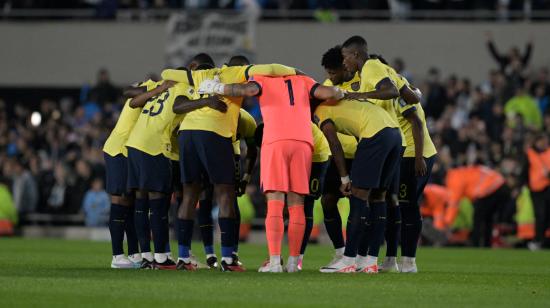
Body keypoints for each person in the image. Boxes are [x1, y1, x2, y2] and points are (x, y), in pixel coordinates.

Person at [197, 73, 345, 273]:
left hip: (276, 140)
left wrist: (217, 87)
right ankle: (294, 263)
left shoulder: (263, 78)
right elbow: (329, 92)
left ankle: (275, 262)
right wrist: (340, 91)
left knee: (275, 202)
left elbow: (247, 90)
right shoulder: (303, 80)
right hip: (303, 141)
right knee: (297, 203)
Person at [161, 62, 300, 272]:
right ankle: (228, 259)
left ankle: (183, 257)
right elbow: (270, 69)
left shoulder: (199, 75)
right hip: (214, 133)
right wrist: (295, 71)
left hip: (187, 133)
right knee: (225, 193)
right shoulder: (235, 72)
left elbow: (167, 73)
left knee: (190, 195)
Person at [125, 70, 226, 270]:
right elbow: (179, 106)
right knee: (159, 204)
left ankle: (146, 255)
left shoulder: (163, 86)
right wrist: (206, 102)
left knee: (141, 202)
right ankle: (162, 258)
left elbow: (132, 102)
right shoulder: (185, 88)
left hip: (135, 144)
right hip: (154, 145)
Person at [314, 97, 401, 274]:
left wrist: (344, 178)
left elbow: (334, 144)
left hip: (374, 134)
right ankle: (370, 261)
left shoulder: (320, 111)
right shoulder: (344, 104)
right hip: (395, 134)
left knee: (358, 195)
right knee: (378, 197)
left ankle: (348, 260)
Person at [103, 78, 160, 269]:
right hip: (119, 149)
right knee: (120, 201)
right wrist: (158, 88)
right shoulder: (147, 94)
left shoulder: (154, 98)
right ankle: (117, 255)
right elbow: (129, 94)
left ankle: (134, 253)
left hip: (129, 150)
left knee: (131, 201)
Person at [317, 46, 359, 270]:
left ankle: (358, 255)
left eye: (333, 73)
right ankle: (340, 252)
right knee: (328, 201)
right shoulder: (326, 88)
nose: (330, 78)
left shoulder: (360, 84)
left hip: (360, 154)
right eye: (328, 73)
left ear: (344, 67)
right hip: (335, 156)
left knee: (359, 204)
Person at [445, 165, 510, 247]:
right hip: (502, 185)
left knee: (477, 219)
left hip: (489, 188)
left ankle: (475, 245)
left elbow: (454, 203)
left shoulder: (453, 177)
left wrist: (447, 223)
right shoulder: (463, 172)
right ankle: (487, 245)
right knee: (488, 218)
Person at [524, 134, 550, 250]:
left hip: (548, 187)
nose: (544, 143)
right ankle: (538, 240)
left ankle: (542, 240)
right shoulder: (530, 154)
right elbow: (524, 171)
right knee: (540, 215)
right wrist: (523, 185)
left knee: (546, 215)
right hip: (535, 189)